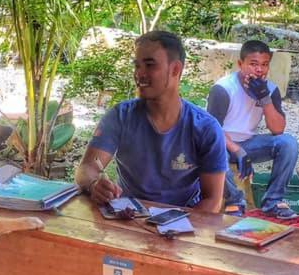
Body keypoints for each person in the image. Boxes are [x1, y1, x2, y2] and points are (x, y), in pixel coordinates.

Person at [75, 31, 227, 212]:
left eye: (149, 65)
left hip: (182, 223)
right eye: (137, 66)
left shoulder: (205, 128)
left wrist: (171, 227)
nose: (139, 74)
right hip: (128, 218)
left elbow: (212, 200)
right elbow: (86, 168)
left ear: (175, 70)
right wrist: (94, 184)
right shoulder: (121, 116)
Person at [206, 40, 299, 219]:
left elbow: (278, 129)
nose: (259, 70)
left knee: (288, 143)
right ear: (240, 64)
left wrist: (264, 98)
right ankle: (234, 201)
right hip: (222, 144)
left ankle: (273, 201)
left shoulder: (270, 89)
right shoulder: (223, 89)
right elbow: (212, 131)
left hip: (249, 143)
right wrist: (236, 149)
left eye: (264, 65)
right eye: (253, 64)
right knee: (215, 150)